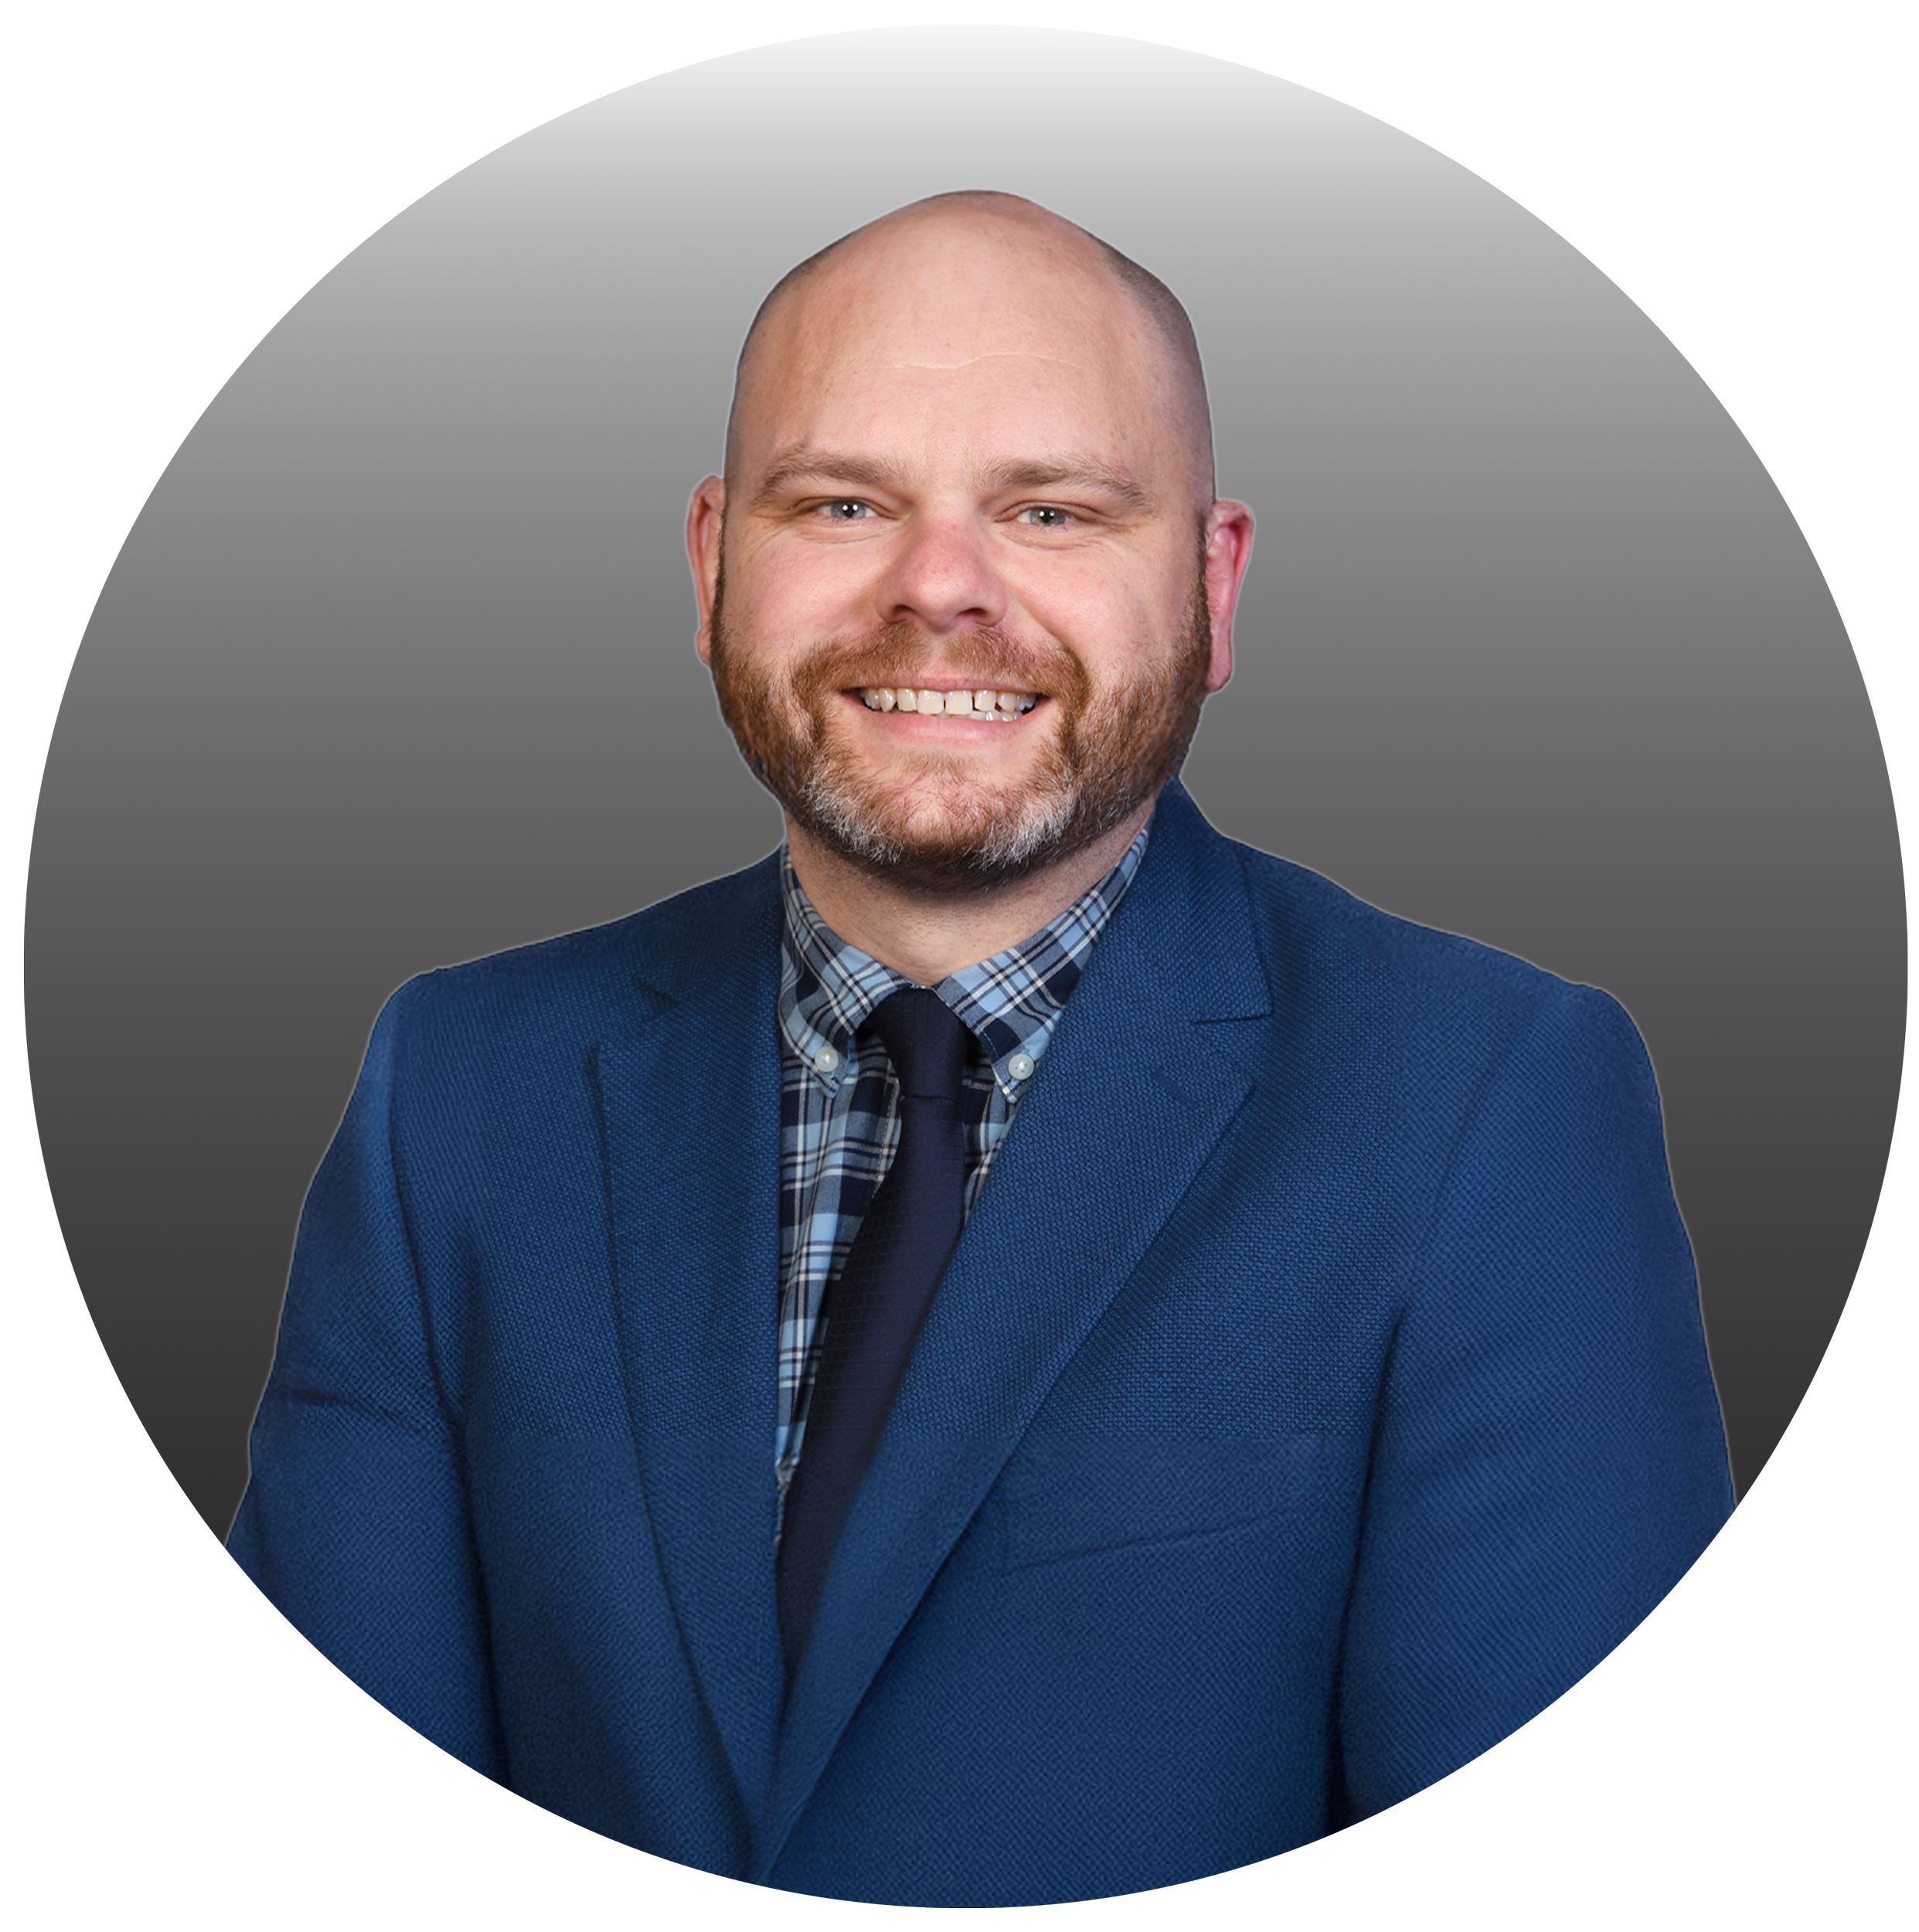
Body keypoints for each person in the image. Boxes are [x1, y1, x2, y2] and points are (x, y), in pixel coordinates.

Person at [228, 189, 1734, 1907]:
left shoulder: (1492, 1099)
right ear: (716, 562)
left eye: (1050, 508)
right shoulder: (456, 1089)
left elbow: (1538, 1879)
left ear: (1210, 583)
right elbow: (342, 1844)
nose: (939, 587)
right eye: (844, 500)